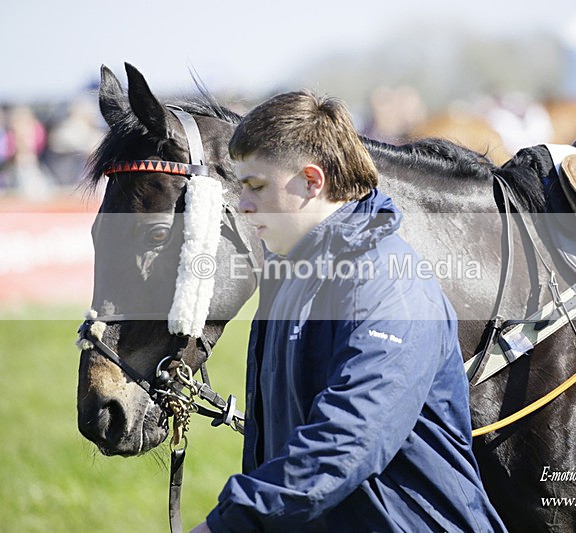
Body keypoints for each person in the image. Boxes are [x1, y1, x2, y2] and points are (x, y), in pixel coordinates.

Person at [191, 91, 505, 532]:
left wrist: (228, 525)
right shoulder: (291, 275)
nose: (242, 204)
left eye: (257, 186)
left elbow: (344, 444)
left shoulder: (389, 283)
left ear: (312, 182)